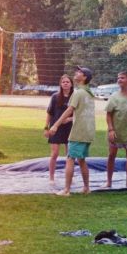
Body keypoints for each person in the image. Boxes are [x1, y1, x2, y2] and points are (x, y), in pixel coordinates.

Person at [49, 66, 96, 196]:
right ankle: (86, 188)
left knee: (70, 158)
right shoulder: (88, 93)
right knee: (81, 159)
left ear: (84, 77)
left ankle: (66, 190)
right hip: (88, 131)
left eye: (79, 72)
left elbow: (70, 110)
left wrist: (55, 125)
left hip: (79, 131)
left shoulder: (78, 93)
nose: (76, 73)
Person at [104, 71, 127, 188]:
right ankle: (109, 182)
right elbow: (108, 114)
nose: (119, 79)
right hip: (115, 133)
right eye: (118, 78)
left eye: (122, 78)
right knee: (111, 156)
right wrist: (111, 130)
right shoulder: (114, 97)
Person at [43, 75, 74, 184]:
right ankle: (51, 177)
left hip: (69, 128)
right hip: (55, 128)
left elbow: (79, 114)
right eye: (63, 82)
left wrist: (69, 119)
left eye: (68, 82)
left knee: (69, 155)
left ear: (71, 84)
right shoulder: (55, 97)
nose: (65, 83)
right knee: (54, 154)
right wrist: (46, 128)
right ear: (60, 84)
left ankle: (69, 177)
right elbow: (49, 113)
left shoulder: (75, 97)